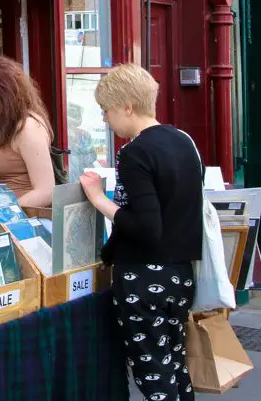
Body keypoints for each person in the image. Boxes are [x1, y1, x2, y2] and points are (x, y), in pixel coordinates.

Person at [78, 63, 203, 401]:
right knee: (175, 366)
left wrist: (98, 199)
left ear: (127, 107)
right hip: (181, 275)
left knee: (154, 377)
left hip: (145, 278)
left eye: (106, 110)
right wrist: (107, 254)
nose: (105, 119)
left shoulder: (134, 152)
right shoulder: (184, 141)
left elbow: (145, 226)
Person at [0, 55, 55, 207]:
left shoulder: (28, 128)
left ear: (9, 95)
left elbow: (46, 191)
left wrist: (4, 211)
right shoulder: (8, 124)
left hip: (24, 218)